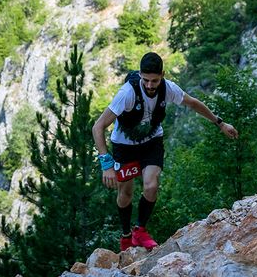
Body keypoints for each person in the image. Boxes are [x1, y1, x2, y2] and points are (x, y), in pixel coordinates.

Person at [92, 52, 239, 252]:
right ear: (140, 75)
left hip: (151, 142)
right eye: (146, 80)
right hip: (124, 147)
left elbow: (193, 103)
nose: (150, 85)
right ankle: (126, 236)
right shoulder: (127, 93)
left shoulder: (169, 88)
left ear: (162, 74)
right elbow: (98, 127)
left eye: (155, 80)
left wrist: (220, 123)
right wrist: (106, 164)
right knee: (125, 192)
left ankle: (140, 231)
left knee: (151, 186)